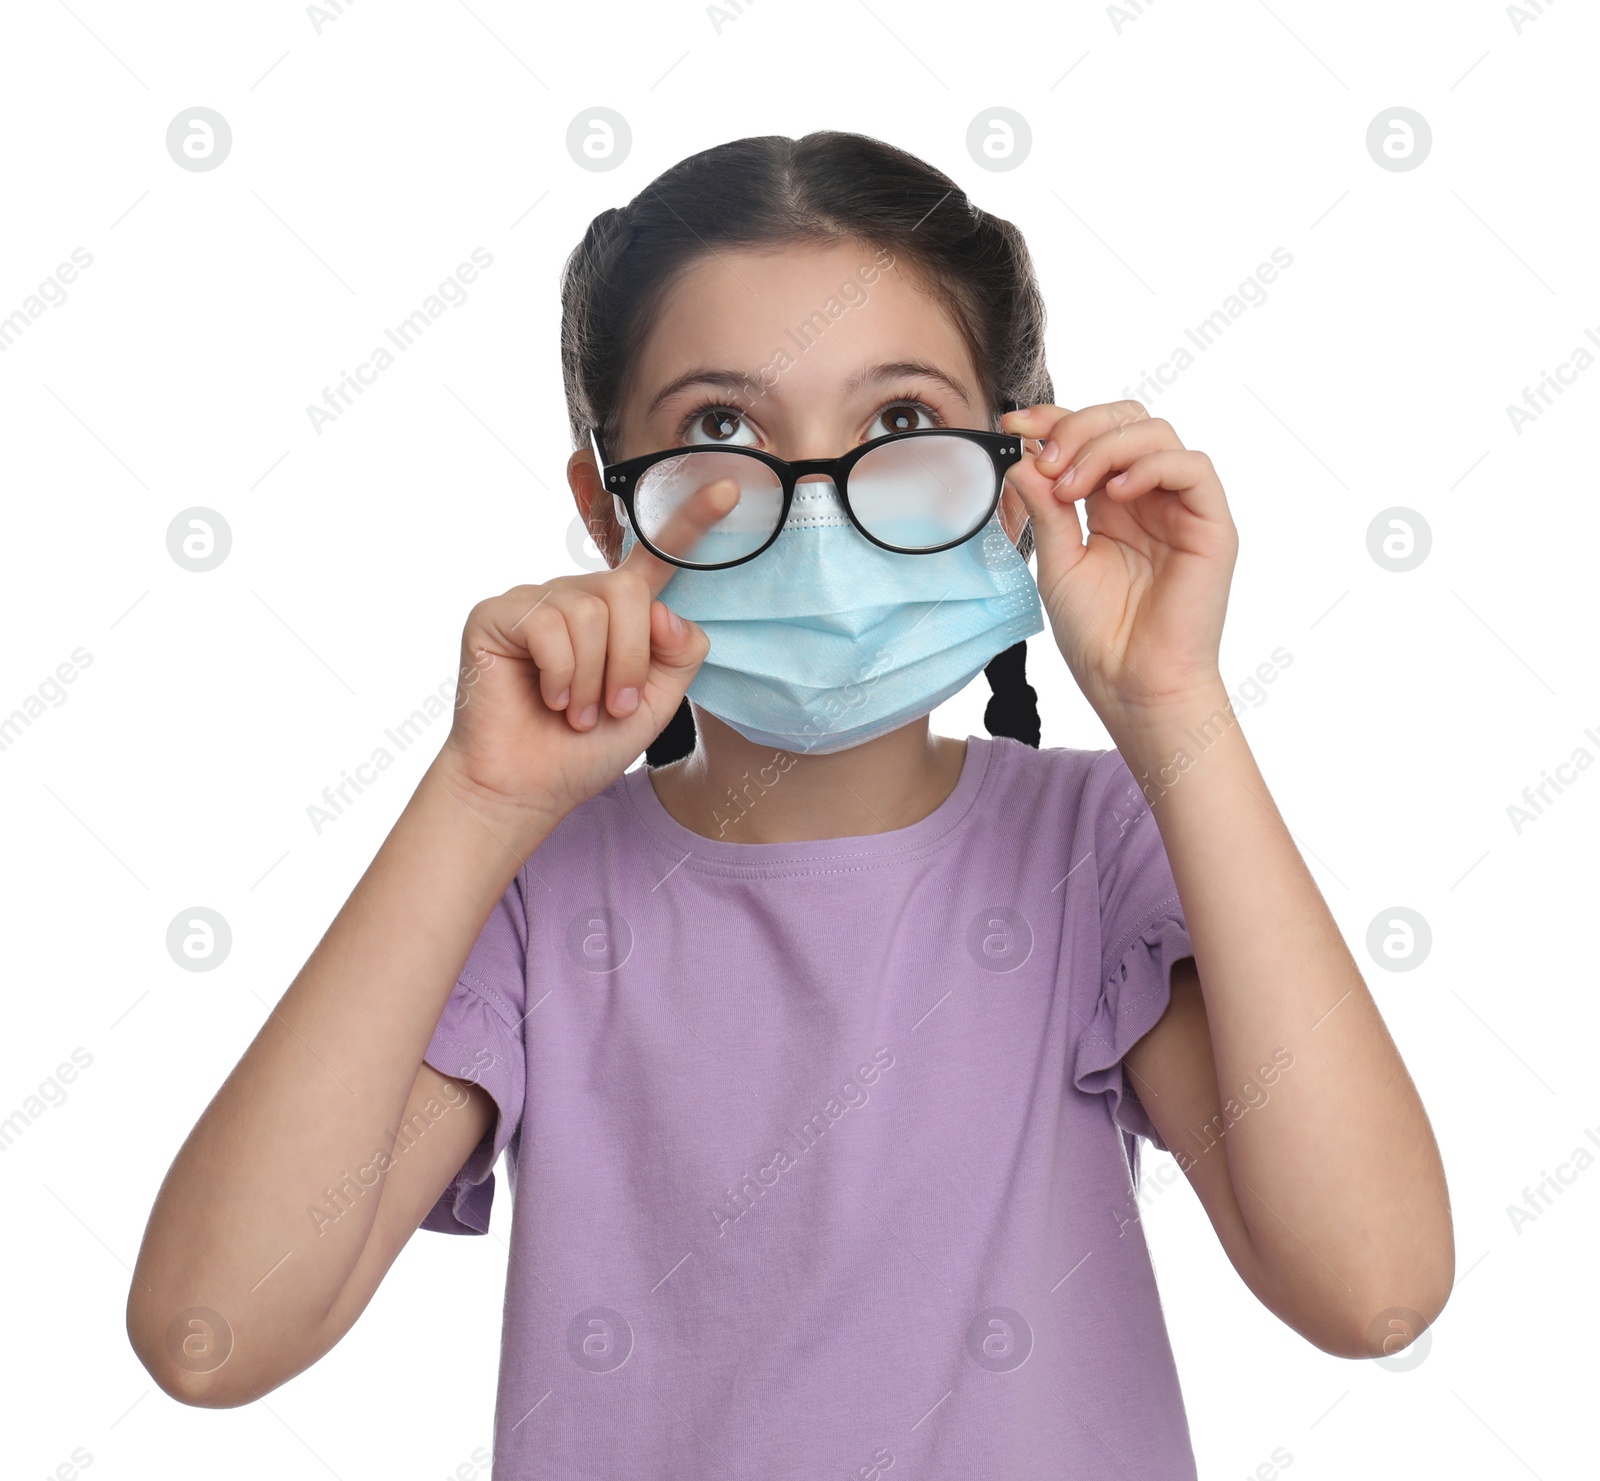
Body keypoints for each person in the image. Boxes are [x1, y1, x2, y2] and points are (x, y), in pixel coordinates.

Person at [127, 131, 1454, 1477]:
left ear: (1017, 473)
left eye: (897, 424)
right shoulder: (536, 892)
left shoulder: (1100, 849)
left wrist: (1179, 713)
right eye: (721, 428)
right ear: (607, 509)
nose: (818, 508)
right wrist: (473, 804)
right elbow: (209, 1332)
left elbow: (1372, 1286)